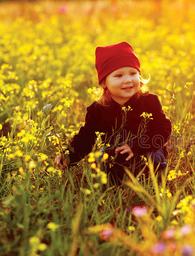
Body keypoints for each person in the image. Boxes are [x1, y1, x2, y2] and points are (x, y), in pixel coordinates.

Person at [54, 41, 172, 184]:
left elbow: (163, 128)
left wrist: (136, 146)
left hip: (146, 147)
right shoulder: (97, 109)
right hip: (116, 150)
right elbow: (86, 137)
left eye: (133, 73)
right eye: (119, 75)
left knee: (152, 160)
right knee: (105, 163)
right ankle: (115, 185)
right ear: (104, 83)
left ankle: (154, 182)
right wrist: (68, 156)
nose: (128, 80)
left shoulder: (150, 101)